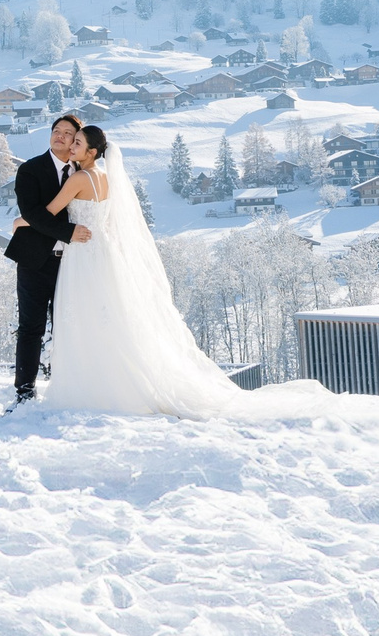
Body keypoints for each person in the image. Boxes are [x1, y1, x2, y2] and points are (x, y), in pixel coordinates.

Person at [34, 125, 266, 417]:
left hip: (81, 253)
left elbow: (50, 211)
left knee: (82, 316)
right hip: (104, 251)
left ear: (91, 152)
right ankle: (116, 384)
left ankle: (89, 387)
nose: (72, 147)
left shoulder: (79, 178)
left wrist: (22, 221)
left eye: (77, 143)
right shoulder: (105, 178)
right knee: (108, 316)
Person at [2, 114, 89, 405]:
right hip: (35, 262)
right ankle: (24, 392)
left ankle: (68, 388)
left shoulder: (85, 172)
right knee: (31, 327)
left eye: (67, 133)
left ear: (77, 140)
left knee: (70, 326)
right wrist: (68, 231)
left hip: (74, 263)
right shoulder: (30, 170)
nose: (59, 136)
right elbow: (33, 213)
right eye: (56, 131)